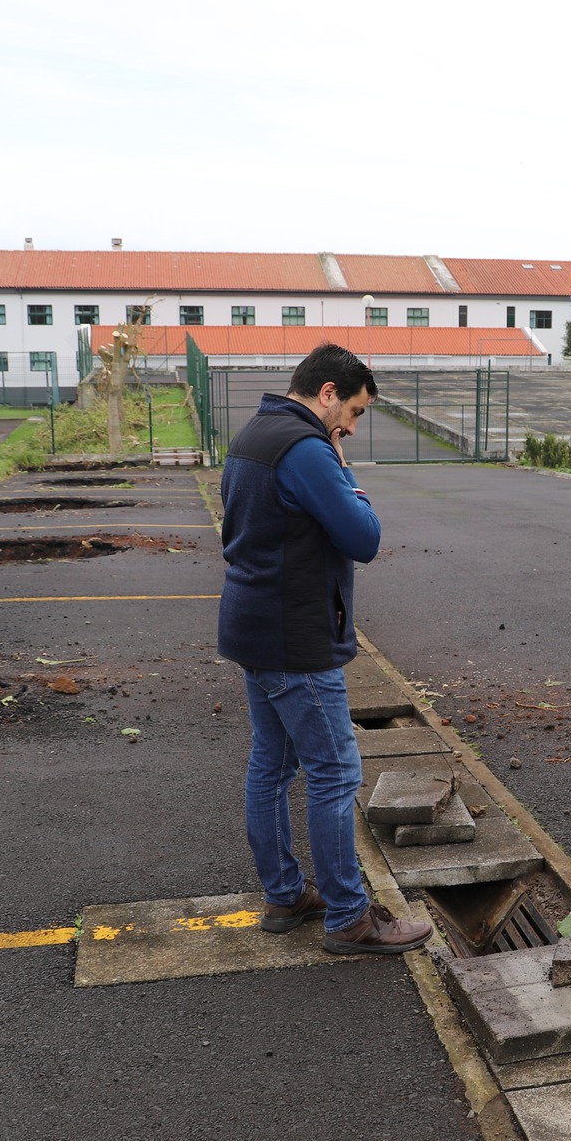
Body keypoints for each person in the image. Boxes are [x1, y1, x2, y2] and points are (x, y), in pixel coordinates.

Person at [218, 343, 432, 954]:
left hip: (252, 626)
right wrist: (348, 476)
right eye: (356, 412)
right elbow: (363, 537)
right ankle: (349, 917)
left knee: (271, 767)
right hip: (295, 637)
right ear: (328, 392)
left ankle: (285, 895)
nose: (353, 428)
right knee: (335, 772)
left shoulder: (254, 433)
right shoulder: (308, 449)